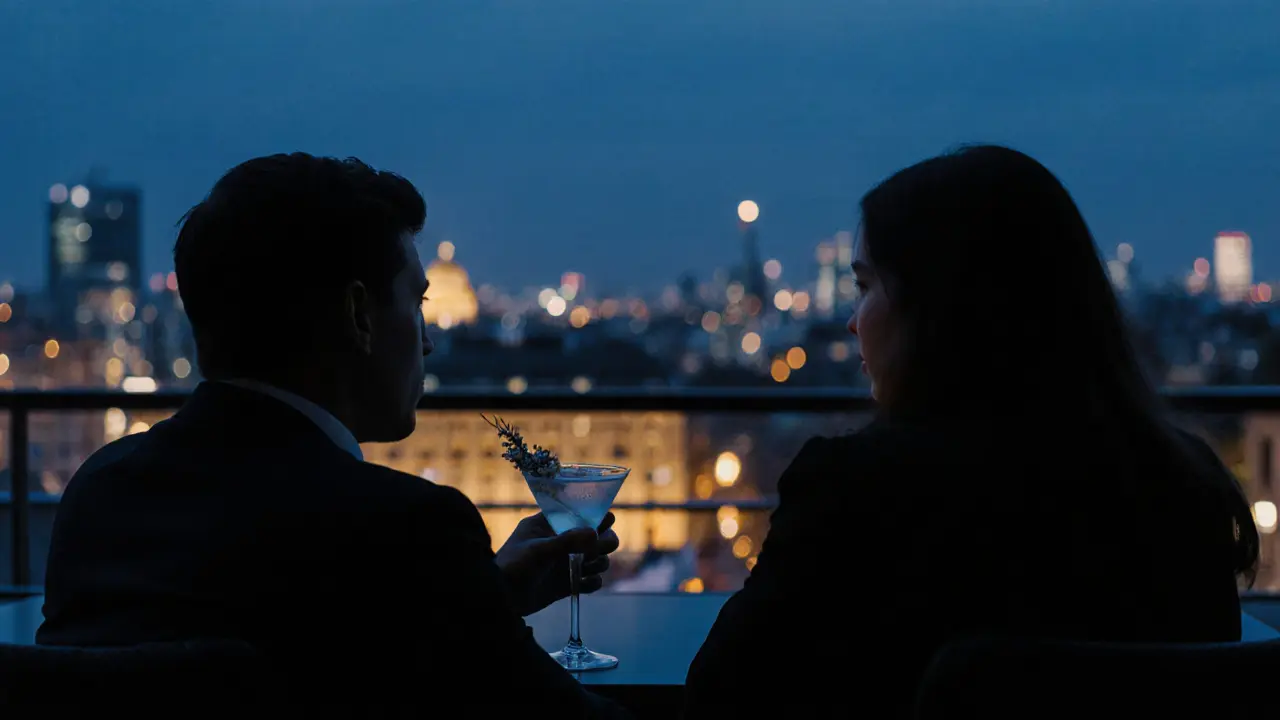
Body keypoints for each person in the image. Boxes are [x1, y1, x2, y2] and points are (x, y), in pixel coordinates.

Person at [38, 153, 627, 716]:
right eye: (416, 304)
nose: (427, 341)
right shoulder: (409, 530)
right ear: (359, 316)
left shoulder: (101, 493)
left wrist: (480, 599)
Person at [684, 145, 1259, 717]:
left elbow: (717, 698)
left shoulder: (856, 492)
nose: (852, 320)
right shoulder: (1184, 485)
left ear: (932, 306)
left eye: (864, 287)